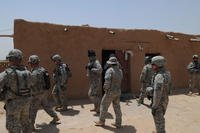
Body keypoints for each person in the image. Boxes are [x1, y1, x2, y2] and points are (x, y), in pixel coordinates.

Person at [0, 49, 32, 133]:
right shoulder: (28, 72)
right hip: (27, 101)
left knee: (13, 125)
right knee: (25, 123)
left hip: (13, 103)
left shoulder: (7, 73)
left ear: (11, 59)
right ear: (20, 59)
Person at [28, 55, 59, 131]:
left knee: (32, 110)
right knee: (46, 106)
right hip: (44, 93)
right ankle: (55, 117)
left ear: (33, 62)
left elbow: (31, 83)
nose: (30, 64)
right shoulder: (42, 69)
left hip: (36, 94)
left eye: (30, 63)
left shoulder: (34, 72)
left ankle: (31, 126)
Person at [95, 56, 123, 128]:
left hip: (110, 92)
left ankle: (101, 121)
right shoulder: (120, 71)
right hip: (118, 91)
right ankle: (118, 123)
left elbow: (107, 82)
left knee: (103, 105)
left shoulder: (109, 70)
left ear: (110, 63)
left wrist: (105, 89)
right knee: (117, 107)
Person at [151, 56, 171, 133]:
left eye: (153, 64)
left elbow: (158, 93)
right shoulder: (167, 73)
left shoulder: (159, 76)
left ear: (157, 65)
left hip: (159, 101)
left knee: (159, 120)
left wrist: (154, 106)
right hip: (165, 99)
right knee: (161, 118)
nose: (152, 66)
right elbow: (168, 87)